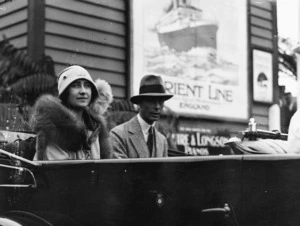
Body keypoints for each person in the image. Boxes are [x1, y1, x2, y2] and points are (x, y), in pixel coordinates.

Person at [30, 65, 113, 160]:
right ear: (65, 93)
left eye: (87, 86)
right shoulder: (54, 127)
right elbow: (60, 171)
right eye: (76, 85)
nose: (83, 91)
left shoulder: (94, 127)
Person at [110, 74, 173, 158]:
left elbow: (165, 170)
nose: (157, 107)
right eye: (151, 101)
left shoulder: (162, 140)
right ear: (140, 103)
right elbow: (120, 170)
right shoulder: (118, 135)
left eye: (161, 101)